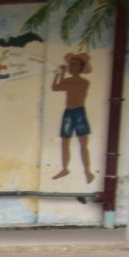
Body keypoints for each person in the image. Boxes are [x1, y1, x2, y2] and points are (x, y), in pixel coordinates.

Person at [54, 51, 93, 183]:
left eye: (74, 64)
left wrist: (61, 75)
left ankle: (87, 171)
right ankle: (65, 168)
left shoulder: (83, 82)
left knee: (83, 143)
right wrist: (60, 74)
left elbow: (59, 87)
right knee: (65, 142)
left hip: (79, 112)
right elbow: (55, 87)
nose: (71, 67)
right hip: (69, 112)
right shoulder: (69, 81)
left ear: (80, 67)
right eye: (71, 64)